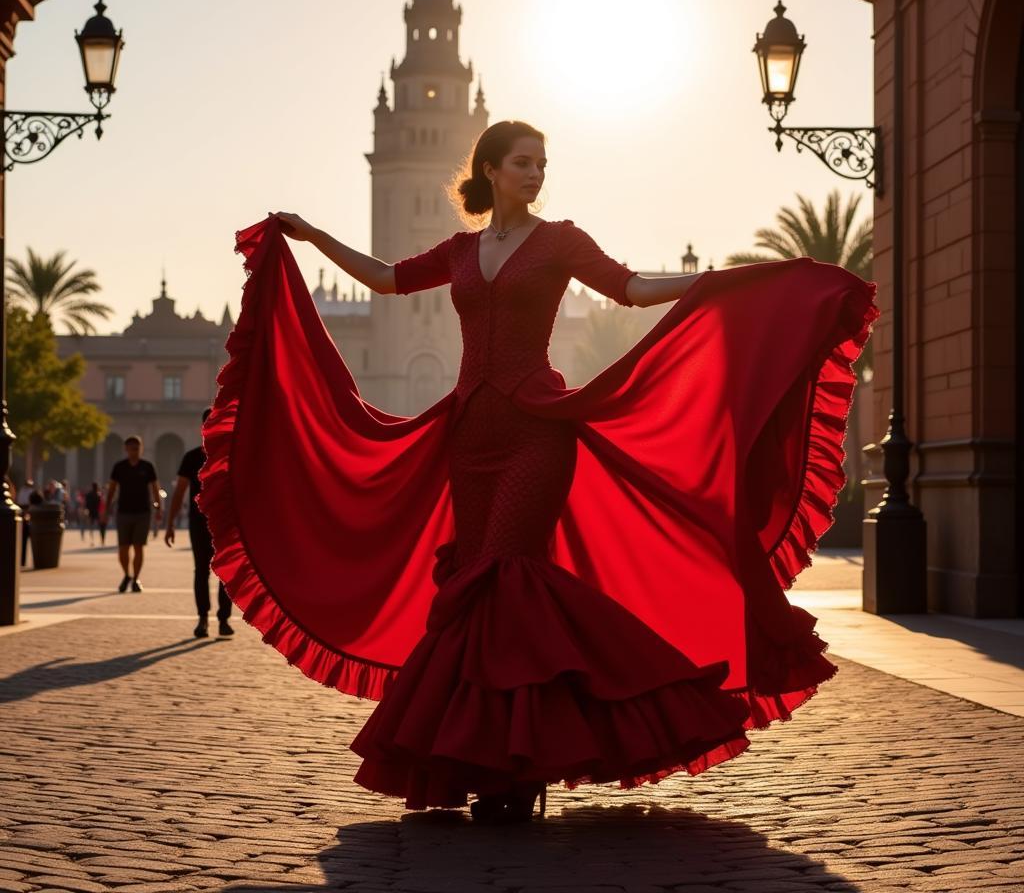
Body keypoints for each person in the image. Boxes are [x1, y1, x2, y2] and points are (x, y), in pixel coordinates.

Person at [199, 120, 878, 824]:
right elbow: (388, 279)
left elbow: (632, 288)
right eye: (523, 163)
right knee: (479, 587)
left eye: (541, 164)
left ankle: (517, 765)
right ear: (490, 170)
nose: (535, 174)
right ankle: (493, 757)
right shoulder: (462, 250)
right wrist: (311, 236)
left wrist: (720, 283)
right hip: (469, 435)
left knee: (508, 572)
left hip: (537, 430)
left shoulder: (560, 241)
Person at [165, 409, 234, 639]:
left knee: (225, 573)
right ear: (204, 427)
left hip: (225, 523)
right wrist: (170, 522)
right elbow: (180, 492)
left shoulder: (231, 455)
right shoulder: (192, 457)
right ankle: (203, 617)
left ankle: (223, 618)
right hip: (199, 522)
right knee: (201, 571)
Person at [104, 436, 161, 592]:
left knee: (138, 547)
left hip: (143, 512)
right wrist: (106, 508)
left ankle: (136, 578)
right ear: (126, 449)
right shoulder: (119, 467)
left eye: (136, 449)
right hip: (123, 512)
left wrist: (158, 508)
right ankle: (126, 575)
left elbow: (155, 488)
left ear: (141, 449)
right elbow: (112, 489)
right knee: (123, 548)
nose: (134, 452)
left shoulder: (147, 466)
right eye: (131, 449)